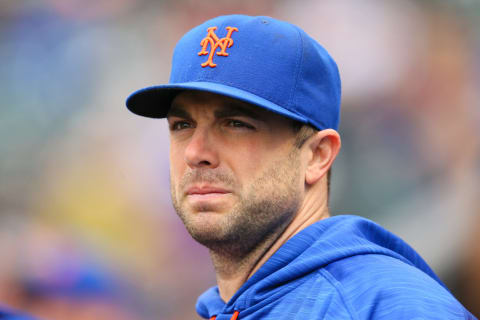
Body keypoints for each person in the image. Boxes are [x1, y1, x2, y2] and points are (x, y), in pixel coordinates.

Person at [126, 14, 476, 320]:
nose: (195, 152)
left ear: (317, 155)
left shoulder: (386, 307)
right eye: (182, 126)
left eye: (235, 124)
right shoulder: (243, 303)